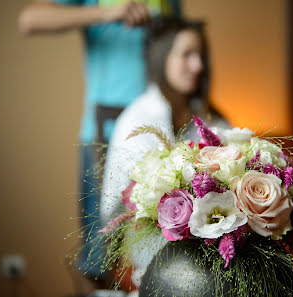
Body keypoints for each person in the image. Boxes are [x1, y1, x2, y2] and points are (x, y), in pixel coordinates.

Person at [18, 0, 182, 287]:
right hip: (105, 139)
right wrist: (111, 13)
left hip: (161, 134)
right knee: (103, 256)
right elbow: (30, 19)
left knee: (169, 247)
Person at [100, 17, 228, 287]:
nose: (198, 65)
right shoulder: (138, 121)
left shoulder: (211, 118)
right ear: (161, 57)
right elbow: (117, 209)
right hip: (157, 262)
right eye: (187, 55)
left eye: (201, 55)